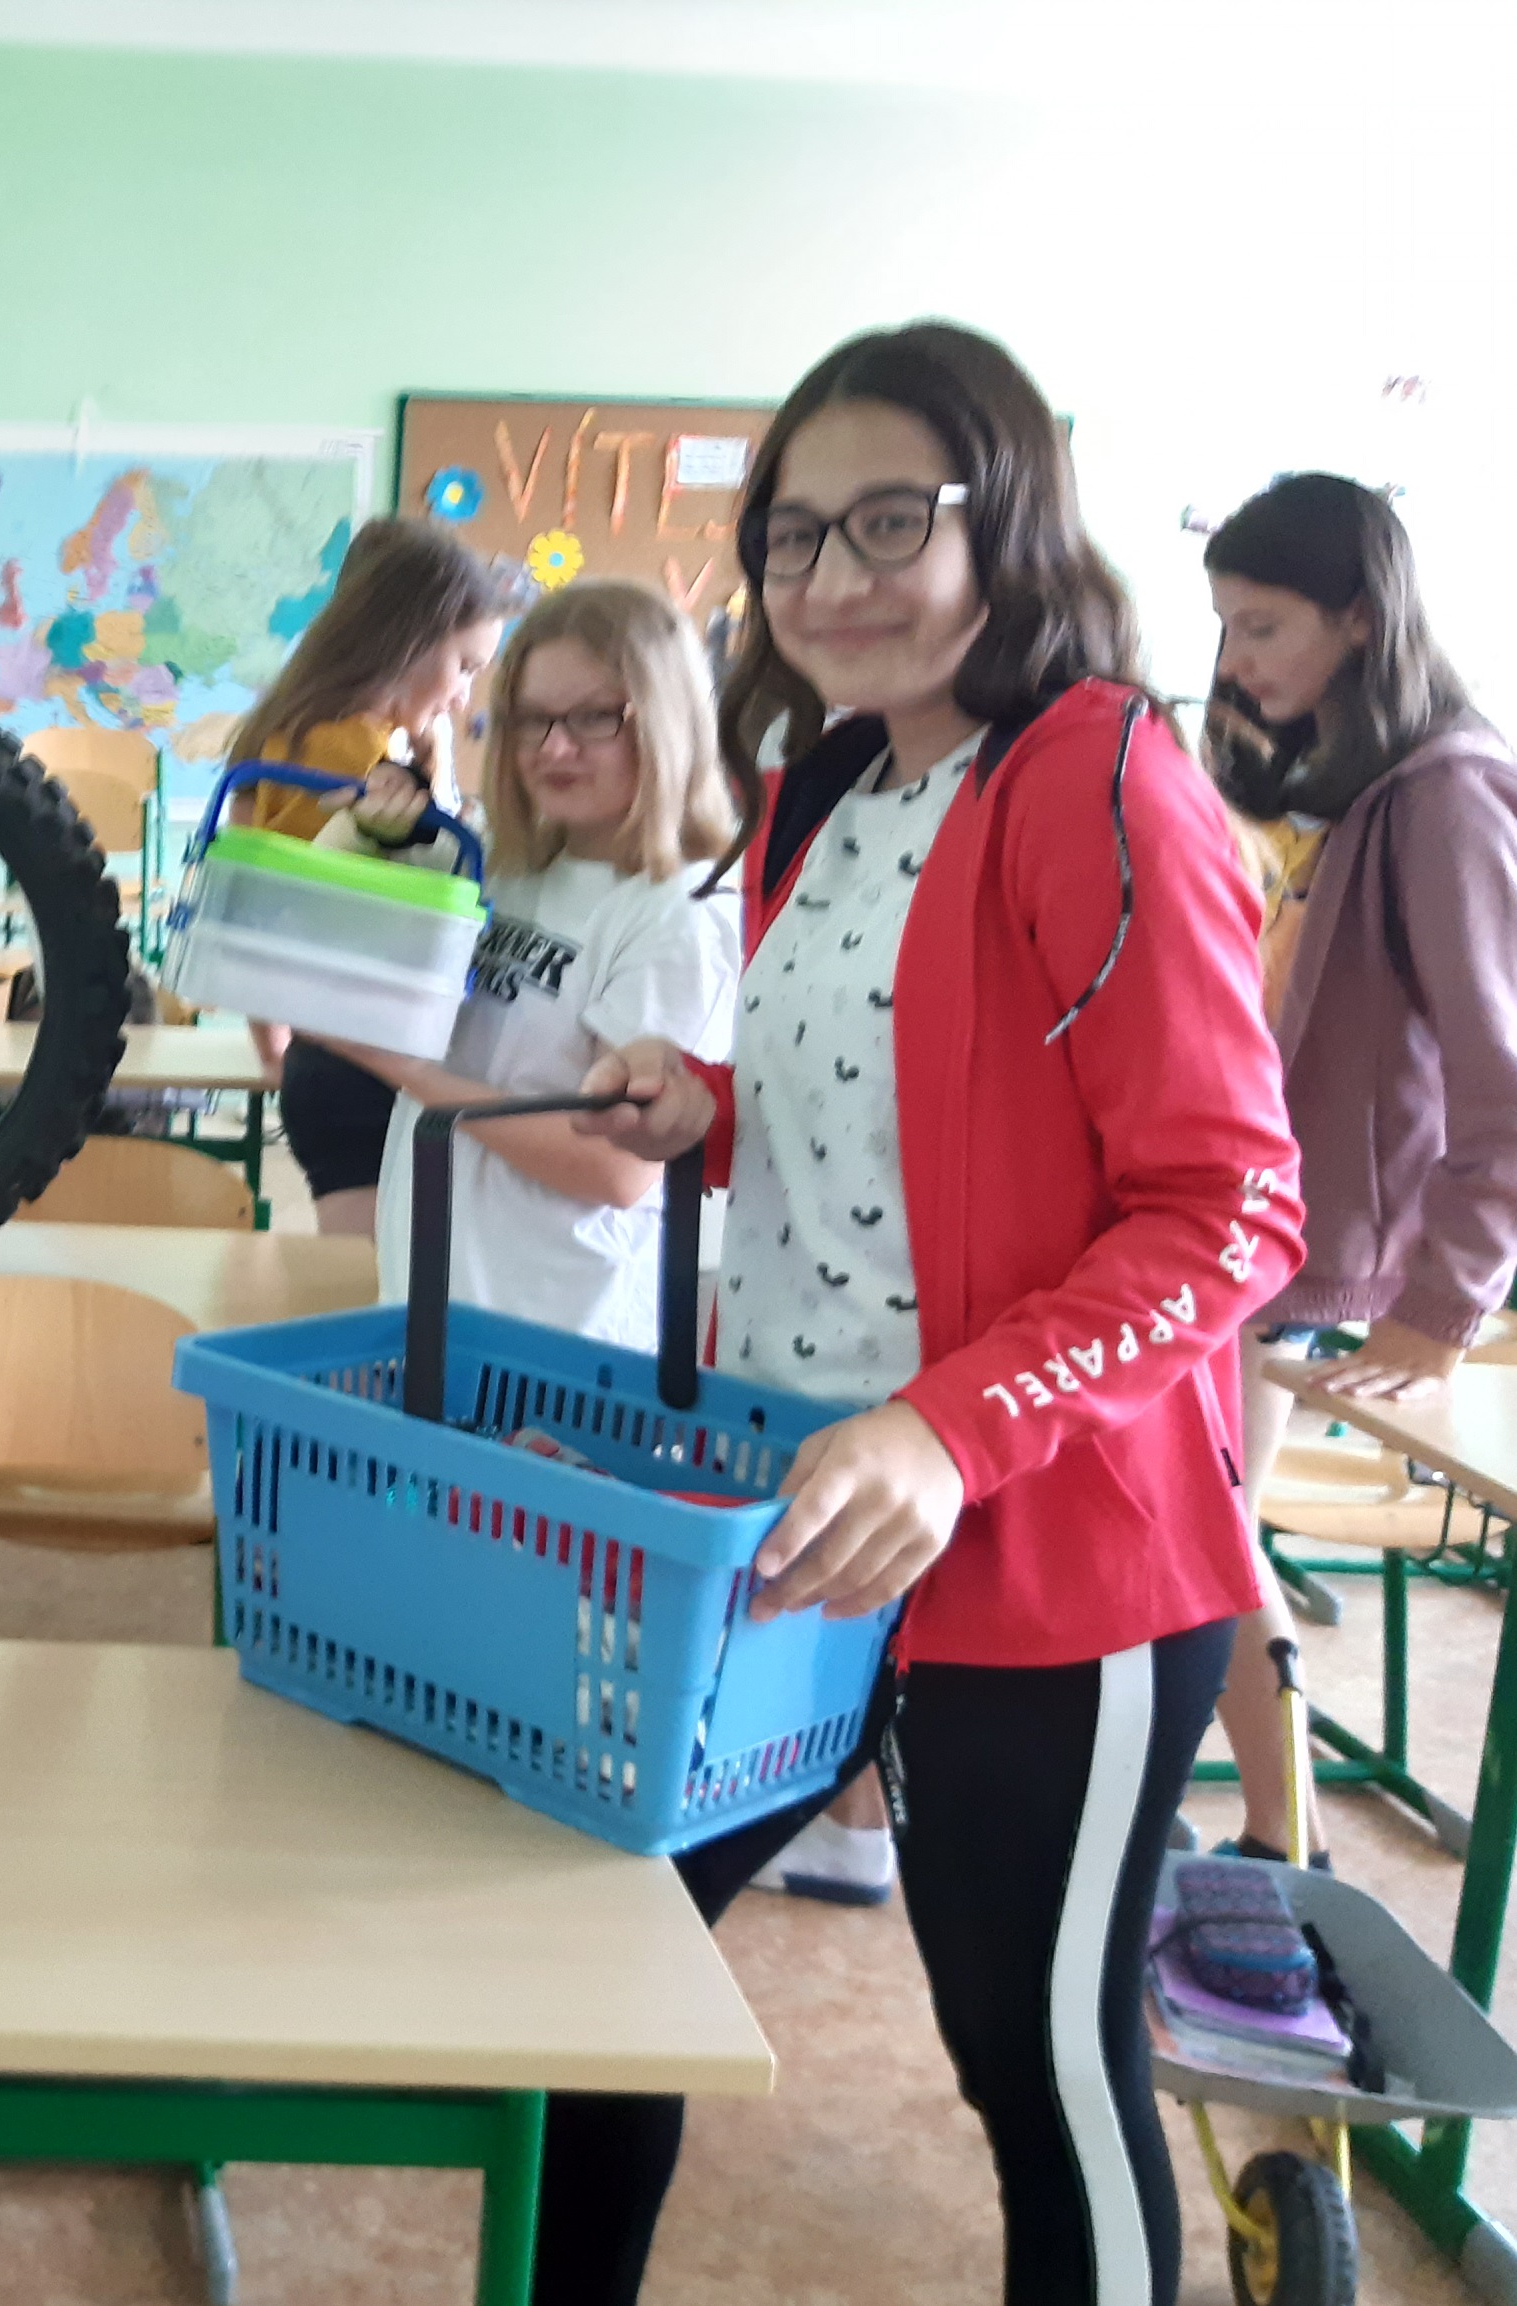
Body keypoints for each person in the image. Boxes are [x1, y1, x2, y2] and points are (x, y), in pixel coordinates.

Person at [562, 321, 1304, 2306]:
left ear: (1010, 518)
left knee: (1035, 2068)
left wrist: (948, 1428)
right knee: (593, 1963)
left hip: (1051, 1552)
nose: (831, 576)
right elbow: (908, 1110)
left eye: (891, 519)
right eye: (792, 534)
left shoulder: (1098, 776)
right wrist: (705, 1109)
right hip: (793, 1512)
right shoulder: (824, 791)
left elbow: (1228, 1207)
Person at [1197, 472, 1517, 1864]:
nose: (1235, 658)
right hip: (1251, 1218)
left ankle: (1283, 1840)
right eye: (1224, 624)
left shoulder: (1447, 792)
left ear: (1361, 619)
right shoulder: (1343, 780)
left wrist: (1439, 1311)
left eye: (1262, 627)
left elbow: (1503, 1081)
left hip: (1306, 1243)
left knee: (1206, 1532)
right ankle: (1279, 1832)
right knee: (1208, 1525)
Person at [306, 579, 738, 1346]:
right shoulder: (505, 869)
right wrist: (371, 837)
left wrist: (398, 1067)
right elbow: (312, 933)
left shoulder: (680, 909)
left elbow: (618, 1170)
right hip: (437, 1306)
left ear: (665, 721)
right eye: (531, 719)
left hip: (558, 1338)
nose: (553, 748)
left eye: (594, 718)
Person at [221, 517, 507, 1235]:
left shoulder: (287, 727)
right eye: (464, 666)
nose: (464, 696)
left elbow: (250, 902)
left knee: (360, 1270)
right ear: (407, 640)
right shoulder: (360, 754)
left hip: (319, 1053)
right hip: (368, 1056)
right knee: (380, 1279)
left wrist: (272, 1048)